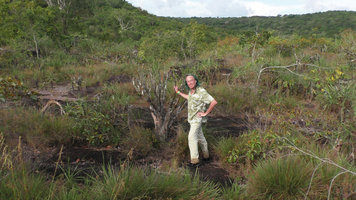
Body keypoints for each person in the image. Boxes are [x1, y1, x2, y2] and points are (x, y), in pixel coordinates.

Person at [174, 74, 218, 167]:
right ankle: (206, 156)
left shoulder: (201, 91)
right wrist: (178, 92)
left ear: (195, 81)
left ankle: (195, 161)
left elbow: (213, 102)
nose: (190, 82)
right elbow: (189, 98)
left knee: (191, 137)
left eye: (191, 80)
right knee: (200, 137)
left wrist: (206, 113)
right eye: (188, 81)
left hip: (197, 119)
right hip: (192, 119)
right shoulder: (191, 91)